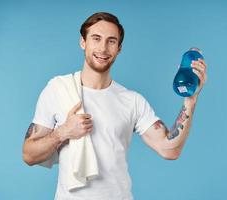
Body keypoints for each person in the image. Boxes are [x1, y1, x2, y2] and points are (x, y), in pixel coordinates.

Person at [22, 12, 207, 200]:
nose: (103, 48)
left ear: (119, 48)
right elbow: (29, 154)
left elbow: (170, 149)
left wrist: (190, 100)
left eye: (111, 41)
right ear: (83, 42)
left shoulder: (132, 100)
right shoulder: (58, 89)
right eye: (96, 38)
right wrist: (62, 132)